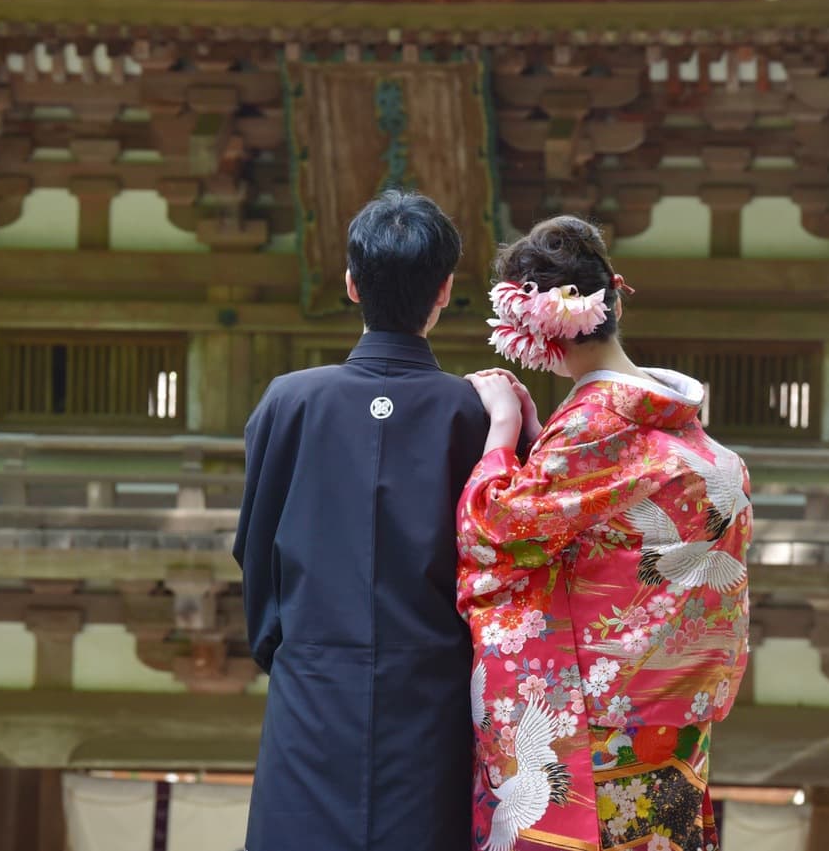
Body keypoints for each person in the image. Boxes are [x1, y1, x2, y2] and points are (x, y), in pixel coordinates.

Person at [457, 216, 751, 851]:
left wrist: (504, 434)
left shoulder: (593, 424)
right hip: (671, 716)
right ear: (613, 294)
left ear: (534, 329)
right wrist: (544, 438)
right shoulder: (679, 421)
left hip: (594, 720)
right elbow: (595, 506)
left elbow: (497, 531)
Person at [233, 190, 490, 851]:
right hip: (431, 697)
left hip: (311, 689)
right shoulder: (475, 412)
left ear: (352, 284)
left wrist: (291, 650)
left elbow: (255, 549)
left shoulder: (288, 402)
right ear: (445, 289)